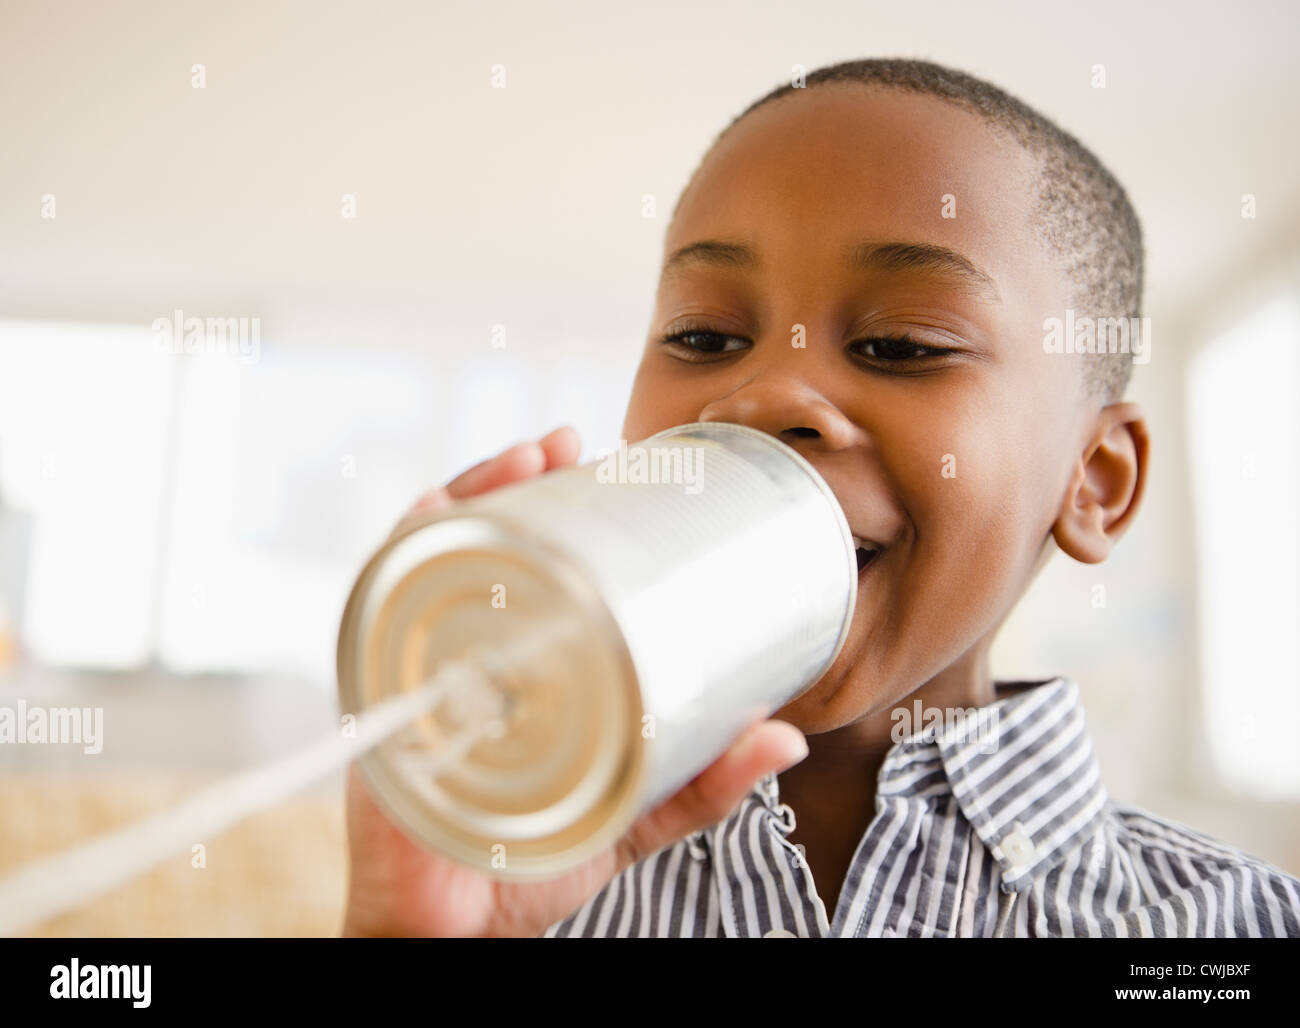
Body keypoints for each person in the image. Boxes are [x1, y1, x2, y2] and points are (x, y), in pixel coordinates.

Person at [342, 58, 1300, 937]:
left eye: (904, 345)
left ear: (1094, 482)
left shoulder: (1226, 931)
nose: (762, 395)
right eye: (706, 337)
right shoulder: (525, 890)